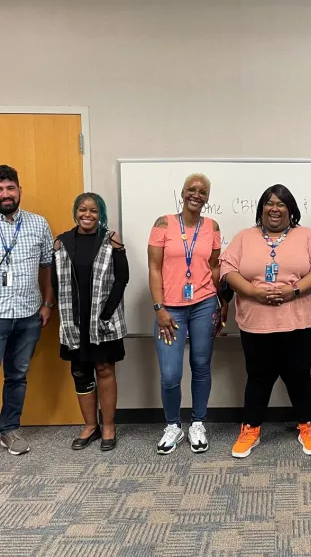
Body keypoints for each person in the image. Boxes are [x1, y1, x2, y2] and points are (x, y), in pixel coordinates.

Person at [220, 184, 311, 458]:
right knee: (258, 378)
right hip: (255, 323)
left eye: (281, 204)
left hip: (298, 321)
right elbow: (226, 269)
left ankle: (306, 426)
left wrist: (293, 290)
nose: (275, 208)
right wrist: (252, 291)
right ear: (261, 209)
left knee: (299, 377)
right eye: (269, 203)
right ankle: (251, 430)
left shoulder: (305, 235)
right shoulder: (245, 237)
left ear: (290, 210)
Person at [148, 173, 226, 455]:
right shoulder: (163, 223)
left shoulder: (212, 226)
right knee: (170, 374)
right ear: (182, 193)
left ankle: (197, 423)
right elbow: (154, 268)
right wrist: (159, 308)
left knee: (201, 365)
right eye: (191, 189)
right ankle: (173, 426)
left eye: (202, 191)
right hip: (169, 309)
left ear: (207, 197)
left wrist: (218, 301)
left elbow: (215, 265)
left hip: (204, 304)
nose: (196, 194)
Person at [52, 193, 129, 451]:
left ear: (101, 214)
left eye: (94, 210)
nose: (87, 214)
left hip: (103, 318)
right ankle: (90, 426)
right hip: (74, 320)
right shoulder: (61, 242)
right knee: (80, 371)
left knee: (104, 368)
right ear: (75, 212)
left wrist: (106, 313)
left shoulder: (111, 240)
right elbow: (55, 280)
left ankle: (108, 426)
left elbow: (122, 279)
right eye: (82, 209)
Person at [0, 165, 54, 455]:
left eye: (10, 188)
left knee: (17, 375)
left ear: (19, 190)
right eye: (0, 189)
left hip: (28, 314)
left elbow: (47, 267)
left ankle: (9, 429)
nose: (5, 194)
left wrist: (47, 303)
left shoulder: (38, 224)